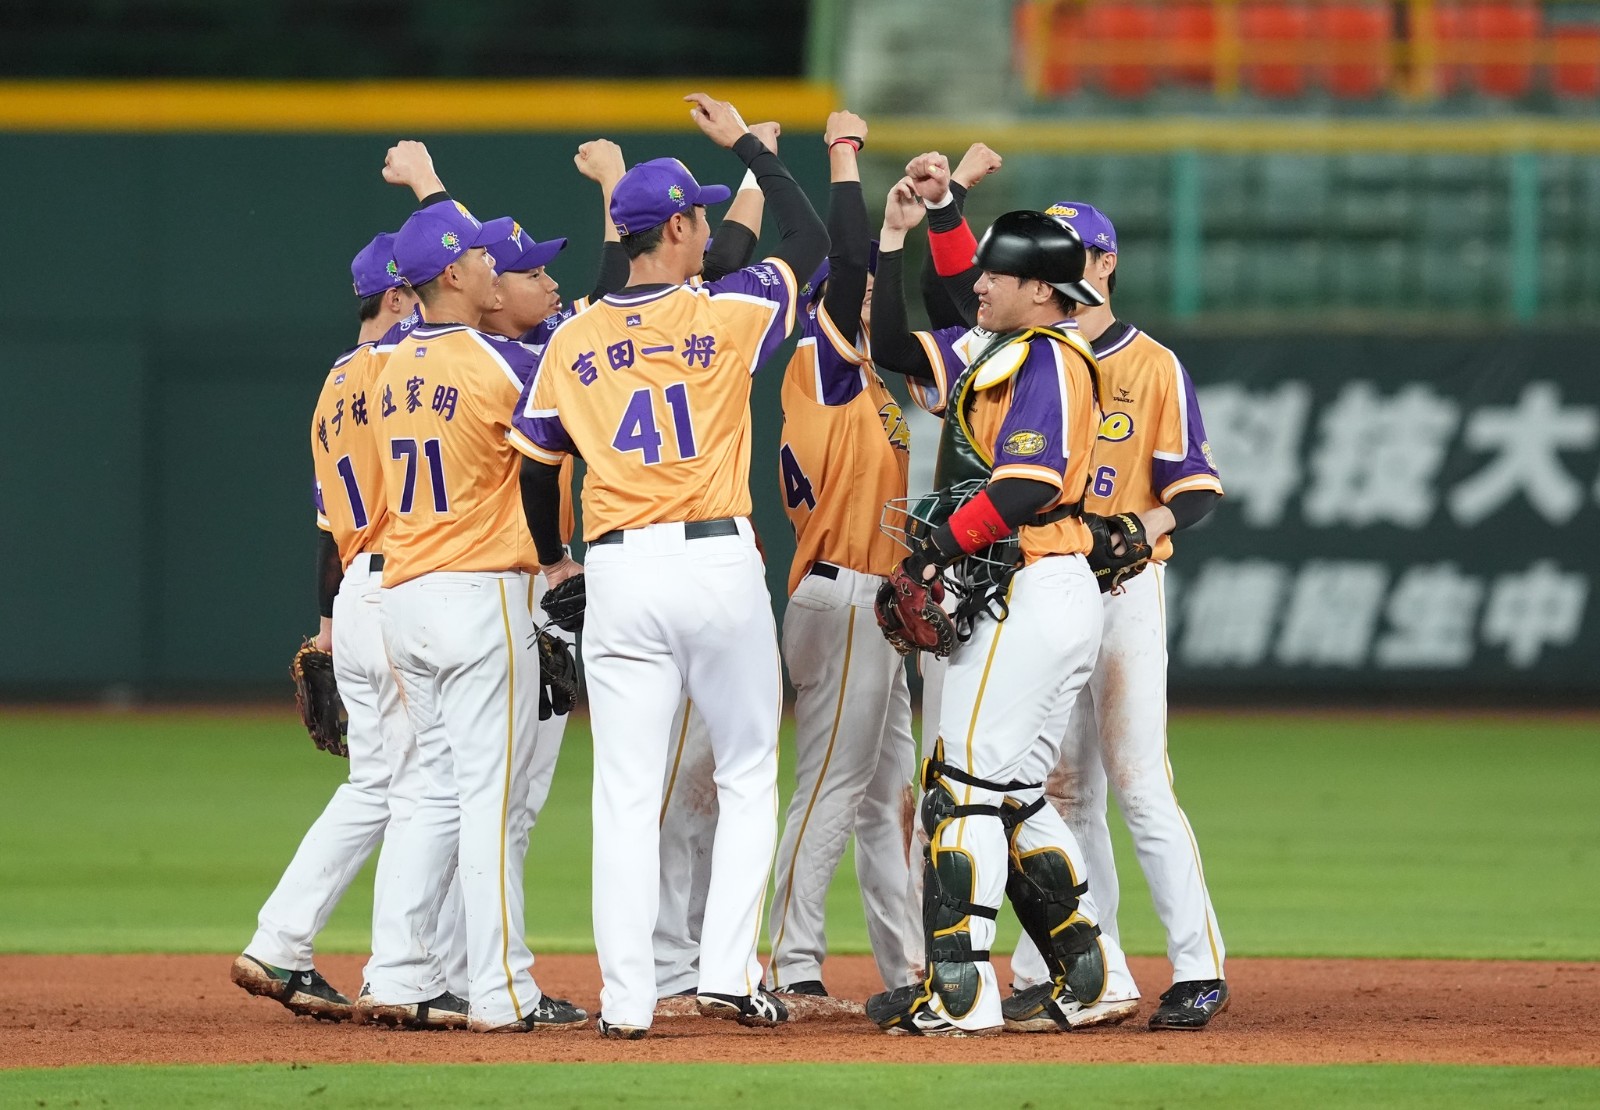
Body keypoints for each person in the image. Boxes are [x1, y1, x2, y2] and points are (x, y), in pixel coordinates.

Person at [509, 92, 828, 1039]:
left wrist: (555, 562)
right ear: (681, 227)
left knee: (624, 792)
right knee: (748, 771)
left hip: (618, 571)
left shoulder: (569, 337)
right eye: (698, 217)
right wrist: (750, 150)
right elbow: (811, 242)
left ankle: (626, 1000)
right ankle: (728, 974)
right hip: (716, 560)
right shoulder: (727, 309)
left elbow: (537, 467)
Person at [862, 181, 1136, 1035]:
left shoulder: (1046, 357)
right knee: (1012, 792)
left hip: (1036, 582)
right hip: (1040, 585)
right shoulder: (1008, 349)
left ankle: (960, 992)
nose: (977, 284)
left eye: (994, 275)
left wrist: (939, 547)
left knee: (960, 789)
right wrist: (896, 238)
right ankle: (1090, 977)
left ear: (1041, 290)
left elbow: (1029, 483)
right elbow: (889, 345)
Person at [357, 164, 584, 1034]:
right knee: (490, 799)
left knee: (425, 791)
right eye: (483, 257)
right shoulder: (507, 362)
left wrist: (427, 188)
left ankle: (396, 974)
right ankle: (503, 990)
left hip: (403, 595)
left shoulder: (382, 365)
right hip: (482, 592)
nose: (496, 265)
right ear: (453, 274)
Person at [998, 202, 1230, 1031]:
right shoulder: (1028, 358)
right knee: (1060, 791)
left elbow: (1195, 488)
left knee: (1138, 781)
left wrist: (1142, 524)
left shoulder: (1152, 364)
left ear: (1104, 264)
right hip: (1048, 590)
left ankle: (1198, 969)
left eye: (1076, 253)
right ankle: (1082, 966)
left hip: (1124, 589)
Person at [231, 233, 420, 1022]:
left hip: (355, 592)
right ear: (400, 298)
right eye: (425, 289)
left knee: (375, 784)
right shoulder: (405, 369)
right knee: (423, 787)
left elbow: (325, 528)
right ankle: (405, 973)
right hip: (404, 588)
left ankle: (280, 939)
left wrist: (327, 628)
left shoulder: (335, 383)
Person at [763, 109, 920, 1002]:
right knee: (829, 786)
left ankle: (910, 969)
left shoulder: (862, 377)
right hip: (844, 597)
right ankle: (792, 965)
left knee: (886, 797)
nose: (866, 301)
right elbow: (849, 263)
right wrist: (843, 157)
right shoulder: (820, 368)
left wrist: (899, 228)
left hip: (875, 602)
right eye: (851, 294)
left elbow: (869, 272)